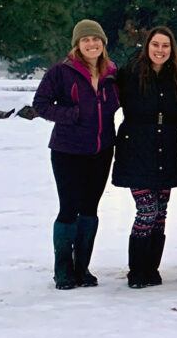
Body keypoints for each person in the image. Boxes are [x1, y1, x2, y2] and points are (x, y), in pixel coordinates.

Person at [33, 19, 120, 289]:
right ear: (77, 45)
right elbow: (41, 104)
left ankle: (82, 267)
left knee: (90, 208)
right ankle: (63, 269)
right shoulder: (61, 72)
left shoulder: (112, 73)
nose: (91, 44)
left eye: (96, 39)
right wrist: (72, 114)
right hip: (68, 150)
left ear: (103, 43)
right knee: (69, 207)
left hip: (102, 150)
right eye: (86, 40)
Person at [113, 26, 177, 288]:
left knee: (161, 213)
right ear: (147, 46)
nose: (160, 50)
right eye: (156, 45)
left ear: (171, 50)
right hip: (137, 149)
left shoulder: (176, 76)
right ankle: (136, 270)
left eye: (165, 46)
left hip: (166, 150)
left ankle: (152, 269)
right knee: (147, 210)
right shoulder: (131, 73)